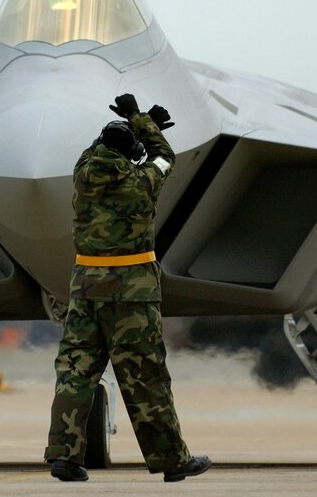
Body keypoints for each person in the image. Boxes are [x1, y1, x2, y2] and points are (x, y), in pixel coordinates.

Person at [44, 93, 210, 483]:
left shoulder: (82, 174)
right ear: (130, 154)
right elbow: (164, 154)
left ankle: (64, 458)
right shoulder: (142, 182)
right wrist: (142, 121)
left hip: (85, 291)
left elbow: (98, 148)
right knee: (144, 379)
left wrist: (130, 126)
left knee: (74, 373)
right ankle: (172, 461)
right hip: (132, 296)